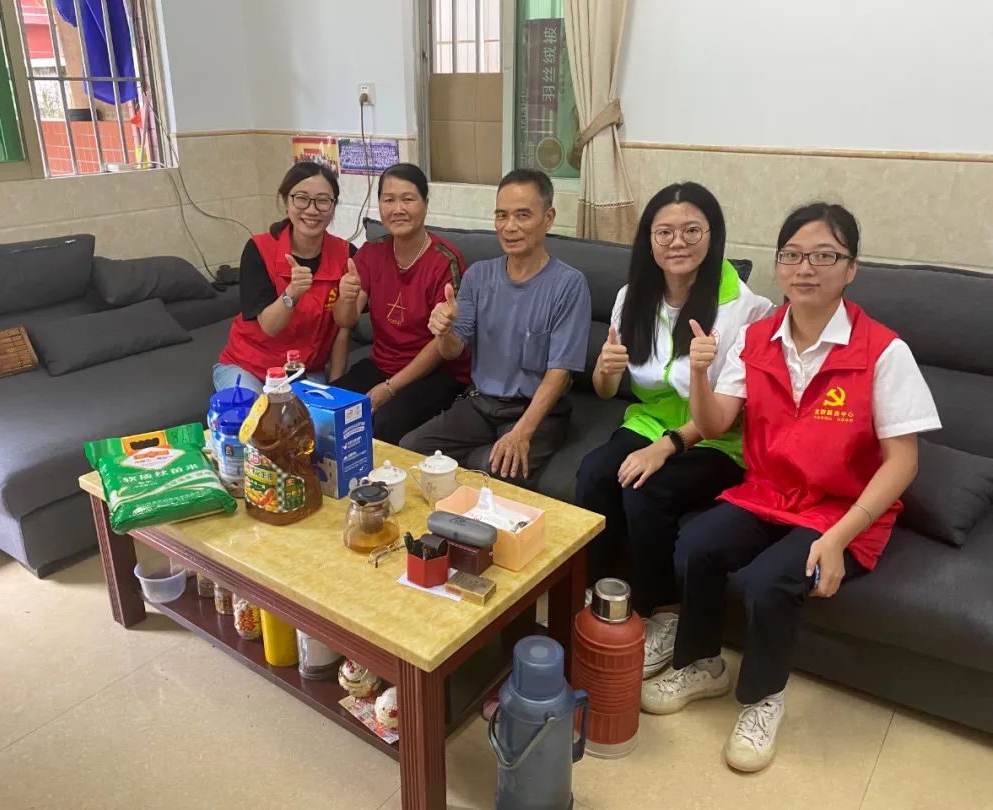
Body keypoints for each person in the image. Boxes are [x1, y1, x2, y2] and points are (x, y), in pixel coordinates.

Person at [642, 203, 941, 773]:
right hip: (769, 491)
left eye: (824, 256)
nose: (806, 268)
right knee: (697, 545)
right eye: (792, 255)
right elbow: (713, 424)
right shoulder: (757, 338)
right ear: (778, 265)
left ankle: (763, 699)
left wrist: (840, 538)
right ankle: (703, 665)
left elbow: (902, 461)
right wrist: (699, 372)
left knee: (769, 581)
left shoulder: (883, 350)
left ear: (851, 268)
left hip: (841, 508)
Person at [575, 182, 774, 678]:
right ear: (649, 239)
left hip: (718, 437)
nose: (677, 242)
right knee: (594, 473)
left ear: (713, 236)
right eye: (664, 232)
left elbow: (727, 412)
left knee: (648, 488)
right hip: (649, 421)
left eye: (691, 230)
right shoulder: (632, 297)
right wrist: (604, 370)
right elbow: (607, 391)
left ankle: (663, 612)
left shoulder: (747, 310)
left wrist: (667, 447)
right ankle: (600, 592)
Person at [400, 169, 592, 483]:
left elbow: (559, 372)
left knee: (491, 471)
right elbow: (452, 350)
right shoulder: (479, 276)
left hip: (536, 411)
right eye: (501, 215)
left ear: (548, 218)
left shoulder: (569, 285)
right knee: (411, 451)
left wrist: (522, 433)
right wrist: (444, 331)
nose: (509, 226)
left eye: (522, 215)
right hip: (481, 403)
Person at [331, 163, 470, 444]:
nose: (398, 209)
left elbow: (441, 345)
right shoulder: (371, 252)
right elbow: (346, 320)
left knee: (383, 424)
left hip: (436, 374)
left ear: (425, 204)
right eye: (389, 200)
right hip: (381, 364)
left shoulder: (445, 260)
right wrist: (346, 297)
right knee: (329, 409)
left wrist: (390, 388)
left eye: (408, 199)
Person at [213, 162, 356, 393]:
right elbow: (270, 327)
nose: (312, 210)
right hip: (248, 366)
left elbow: (342, 328)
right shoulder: (259, 249)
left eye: (322, 201)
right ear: (286, 202)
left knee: (311, 416)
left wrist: (337, 388)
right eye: (301, 198)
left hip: (304, 371)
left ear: (333, 206)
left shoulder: (346, 255)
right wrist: (292, 293)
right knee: (255, 413)